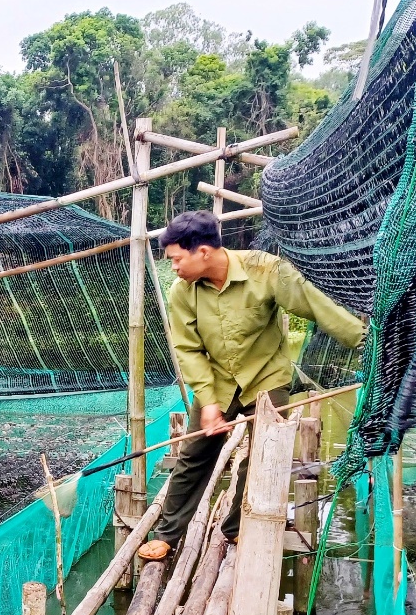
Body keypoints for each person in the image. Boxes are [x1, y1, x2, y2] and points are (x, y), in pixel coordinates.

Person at [138, 210, 365, 560]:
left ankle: (236, 527)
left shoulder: (266, 270)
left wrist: (365, 341)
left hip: (266, 376)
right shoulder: (182, 292)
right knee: (195, 454)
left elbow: (317, 307)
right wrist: (209, 401)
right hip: (215, 379)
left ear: (203, 252)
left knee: (263, 454)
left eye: (177, 259)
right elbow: (188, 349)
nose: (174, 268)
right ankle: (168, 533)